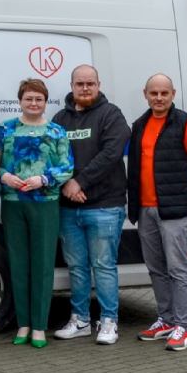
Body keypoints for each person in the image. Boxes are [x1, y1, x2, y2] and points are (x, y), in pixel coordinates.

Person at [128, 74, 187, 352]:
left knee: (178, 268)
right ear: (145, 94)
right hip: (145, 209)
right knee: (156, 268)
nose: (159, 98)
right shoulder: (139, 125)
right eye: (154, 93)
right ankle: (166, 319)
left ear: (173, 93)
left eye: (164, 93)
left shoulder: (185, 123)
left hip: (175, 210)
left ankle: (183, 327)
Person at [51, 65, 130, 345]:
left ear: (98, 85)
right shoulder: (60, 119)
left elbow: (111, 154)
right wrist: (68, 185)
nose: (85, 88)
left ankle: (108, 322)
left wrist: (79, 182)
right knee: (77, 267)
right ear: (72, 86)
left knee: (103, 265)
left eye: (90, 83)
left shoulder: (111, 115)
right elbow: (54, 157)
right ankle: (81, 320)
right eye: (80, 84)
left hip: (104, 206)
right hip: (70, 207)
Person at [0, 78, 72, 349]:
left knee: (42, 264)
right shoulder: (5, 129)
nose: (33, 103)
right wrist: (4, 176)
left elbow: (66, 166)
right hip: (14, 202)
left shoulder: (56, 131)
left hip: (45, 203)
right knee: (18, 264)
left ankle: (39, 326)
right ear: (20, 101)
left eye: (39, 99)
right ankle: (23, 324)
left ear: (45, 102)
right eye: (28, 98)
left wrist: (44, 179)